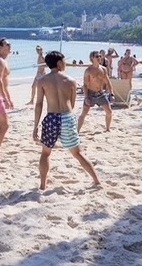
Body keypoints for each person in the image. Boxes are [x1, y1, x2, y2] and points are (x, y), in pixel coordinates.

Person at [32, 50, 101, 190]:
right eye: (64, 61)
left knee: (45, 153)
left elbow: (39, 104)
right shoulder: (70, 81)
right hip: (67, 116)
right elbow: (72, 104)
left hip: (52, 117)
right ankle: (96, 181)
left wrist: (36, 125)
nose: (65, 63)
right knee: (77, 153)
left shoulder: (42, 81)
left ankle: (43, 185)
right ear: (59, 63)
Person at [78, 51, 113, 132]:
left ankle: (107, 129)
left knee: (109, 112)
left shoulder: (103, 69)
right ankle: (77, 131)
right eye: (97, 56)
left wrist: (111, 94)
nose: (99, 58)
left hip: (100, 93)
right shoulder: (88, 70)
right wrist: (86, 97)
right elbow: (85, 85)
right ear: (92, 58)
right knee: (84, 113)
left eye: (100, 56)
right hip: (90, 94)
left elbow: (108, 82)